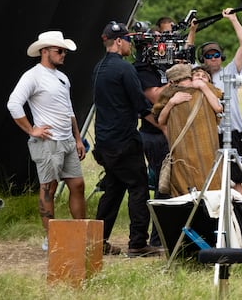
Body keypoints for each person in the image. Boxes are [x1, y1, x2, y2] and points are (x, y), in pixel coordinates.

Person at [7, 31, 86, 252]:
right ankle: (51, 238)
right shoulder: (33, 75)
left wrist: (78, 139)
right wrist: (32, 130)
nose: (63, 54)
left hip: (67, 140)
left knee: (78, 185)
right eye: (59, 50)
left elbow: (69, 111)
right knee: (48, 187)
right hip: (48, 141)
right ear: (45, 51)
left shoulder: (63, 77)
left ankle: (82, 234)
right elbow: (13, 104)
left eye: (64, 51)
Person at [92, 21, 162, 257]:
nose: (131, 45)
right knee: (139, 189)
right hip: (124, 142)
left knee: (113, 191)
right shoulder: (125, 69)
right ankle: (138, 243)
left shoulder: (99, 68)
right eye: (129, 41)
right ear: (119, 41)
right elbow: (142, 107)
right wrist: (166, 126)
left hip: (105, 142)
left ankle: (97, 241)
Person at [135, 16, 197, 246]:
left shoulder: (166, 66)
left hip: (176, 132)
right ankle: (157, 238)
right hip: (155, 135)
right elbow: (155, 96)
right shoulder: (142, 69)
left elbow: (187, 59)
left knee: (179, 183)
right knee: (164, 184)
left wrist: (192, 32)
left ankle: (177, 233)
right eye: (159, 43)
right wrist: (178, 80)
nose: (164, 48)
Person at [199, 8, 242, 196]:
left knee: (235, 180)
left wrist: (233, 19)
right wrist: (192, 31)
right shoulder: (197, 75)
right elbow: (183, 57)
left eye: (216, 55)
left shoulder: (230, 71)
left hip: (232, 132)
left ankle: (241, 215)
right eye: (209, 56)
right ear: (202, 59)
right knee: (213, 181)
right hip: (209, 135)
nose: (213, 59)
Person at [153, 63, 224, 196]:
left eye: (187, 79)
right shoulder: (170, 94)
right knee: (184, 191)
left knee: (210, 188)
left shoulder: (205, 89)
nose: (187, 83)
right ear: (173, 82)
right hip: (182, 153)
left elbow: (219, 108)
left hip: (206, 150)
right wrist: (172, 102)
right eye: (183, 80)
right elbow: (161, 120)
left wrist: (203, 86)